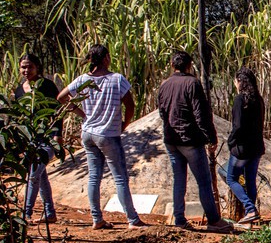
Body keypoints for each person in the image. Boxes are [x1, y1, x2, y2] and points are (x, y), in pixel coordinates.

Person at [58, 44, 146, 229]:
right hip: (108, 134)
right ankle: (132, 219)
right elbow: (130, 105)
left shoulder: (83, 79)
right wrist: (124, 124)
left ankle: (97, 219)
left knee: (94, 177)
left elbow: (61, 97)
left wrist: (82, 114)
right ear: (106, 57)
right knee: (120, 177)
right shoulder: (116, 79)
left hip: (88, 133)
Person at [158, 50, 230, 232]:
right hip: (190, 139)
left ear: (172, 65)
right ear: (189, 65)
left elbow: (162, 112)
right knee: (203, 181)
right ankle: (213, 220)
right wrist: (211, 137)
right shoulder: (192, 83)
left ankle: (179, 219)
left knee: (179, 180)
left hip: (171, 139)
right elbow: (201, 114)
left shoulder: (164, 85)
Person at [14, 53, 61, 224]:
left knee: (33, 175)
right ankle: (50, 212)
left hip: (47, 137)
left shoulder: (46, 86)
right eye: (23, 67)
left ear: (37, 67)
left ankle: (27, 212)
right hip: (30, 139)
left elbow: (57, 110)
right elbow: (17, 116)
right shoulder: (20, 90)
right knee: (41, 177)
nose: (26, 70)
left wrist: (58, 134)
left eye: (29, 66)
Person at [226, 67, 266, 225]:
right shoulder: (258, 99)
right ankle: (251, 215)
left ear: (240, 82)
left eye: (236, 81)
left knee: (231, 178)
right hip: (256, 147)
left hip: (242, 149)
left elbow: (238, 126)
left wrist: (231, 142)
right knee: (250, 181)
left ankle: (250, 209)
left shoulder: (240, 100)